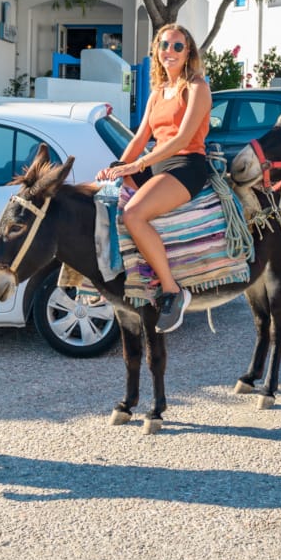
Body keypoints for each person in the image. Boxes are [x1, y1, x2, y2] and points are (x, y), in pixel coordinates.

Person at [96, 24, 212, 333]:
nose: (169, 52)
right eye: (164, 45)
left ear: (189, 53)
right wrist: (119, 166)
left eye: (177, 46)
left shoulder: (197, 87)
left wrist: (139, 164)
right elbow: (139, 138)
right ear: (156, 50)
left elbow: (182, 138)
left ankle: (174, 291)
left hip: (185, 165)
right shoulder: (158, 92)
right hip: (158, 163)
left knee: (134, 215)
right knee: (103, 193)